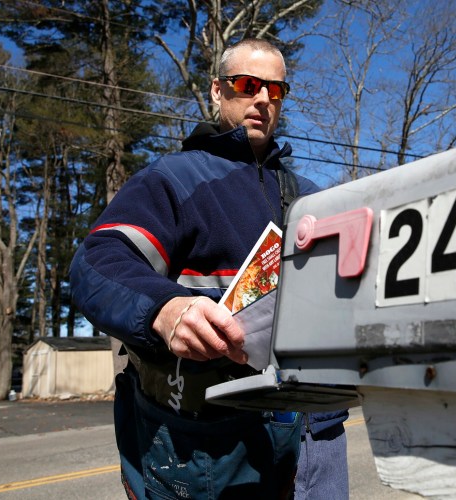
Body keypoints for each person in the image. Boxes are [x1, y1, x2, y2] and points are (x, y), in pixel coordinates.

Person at [70, 38, 347, 499]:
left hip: (316, 434)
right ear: (218, 91)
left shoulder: (314, 199)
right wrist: (167, 310)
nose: (262, 98)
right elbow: (97, 261)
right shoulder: (173, 179)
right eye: (247, 84)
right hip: (213, 443)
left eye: (275, 90)